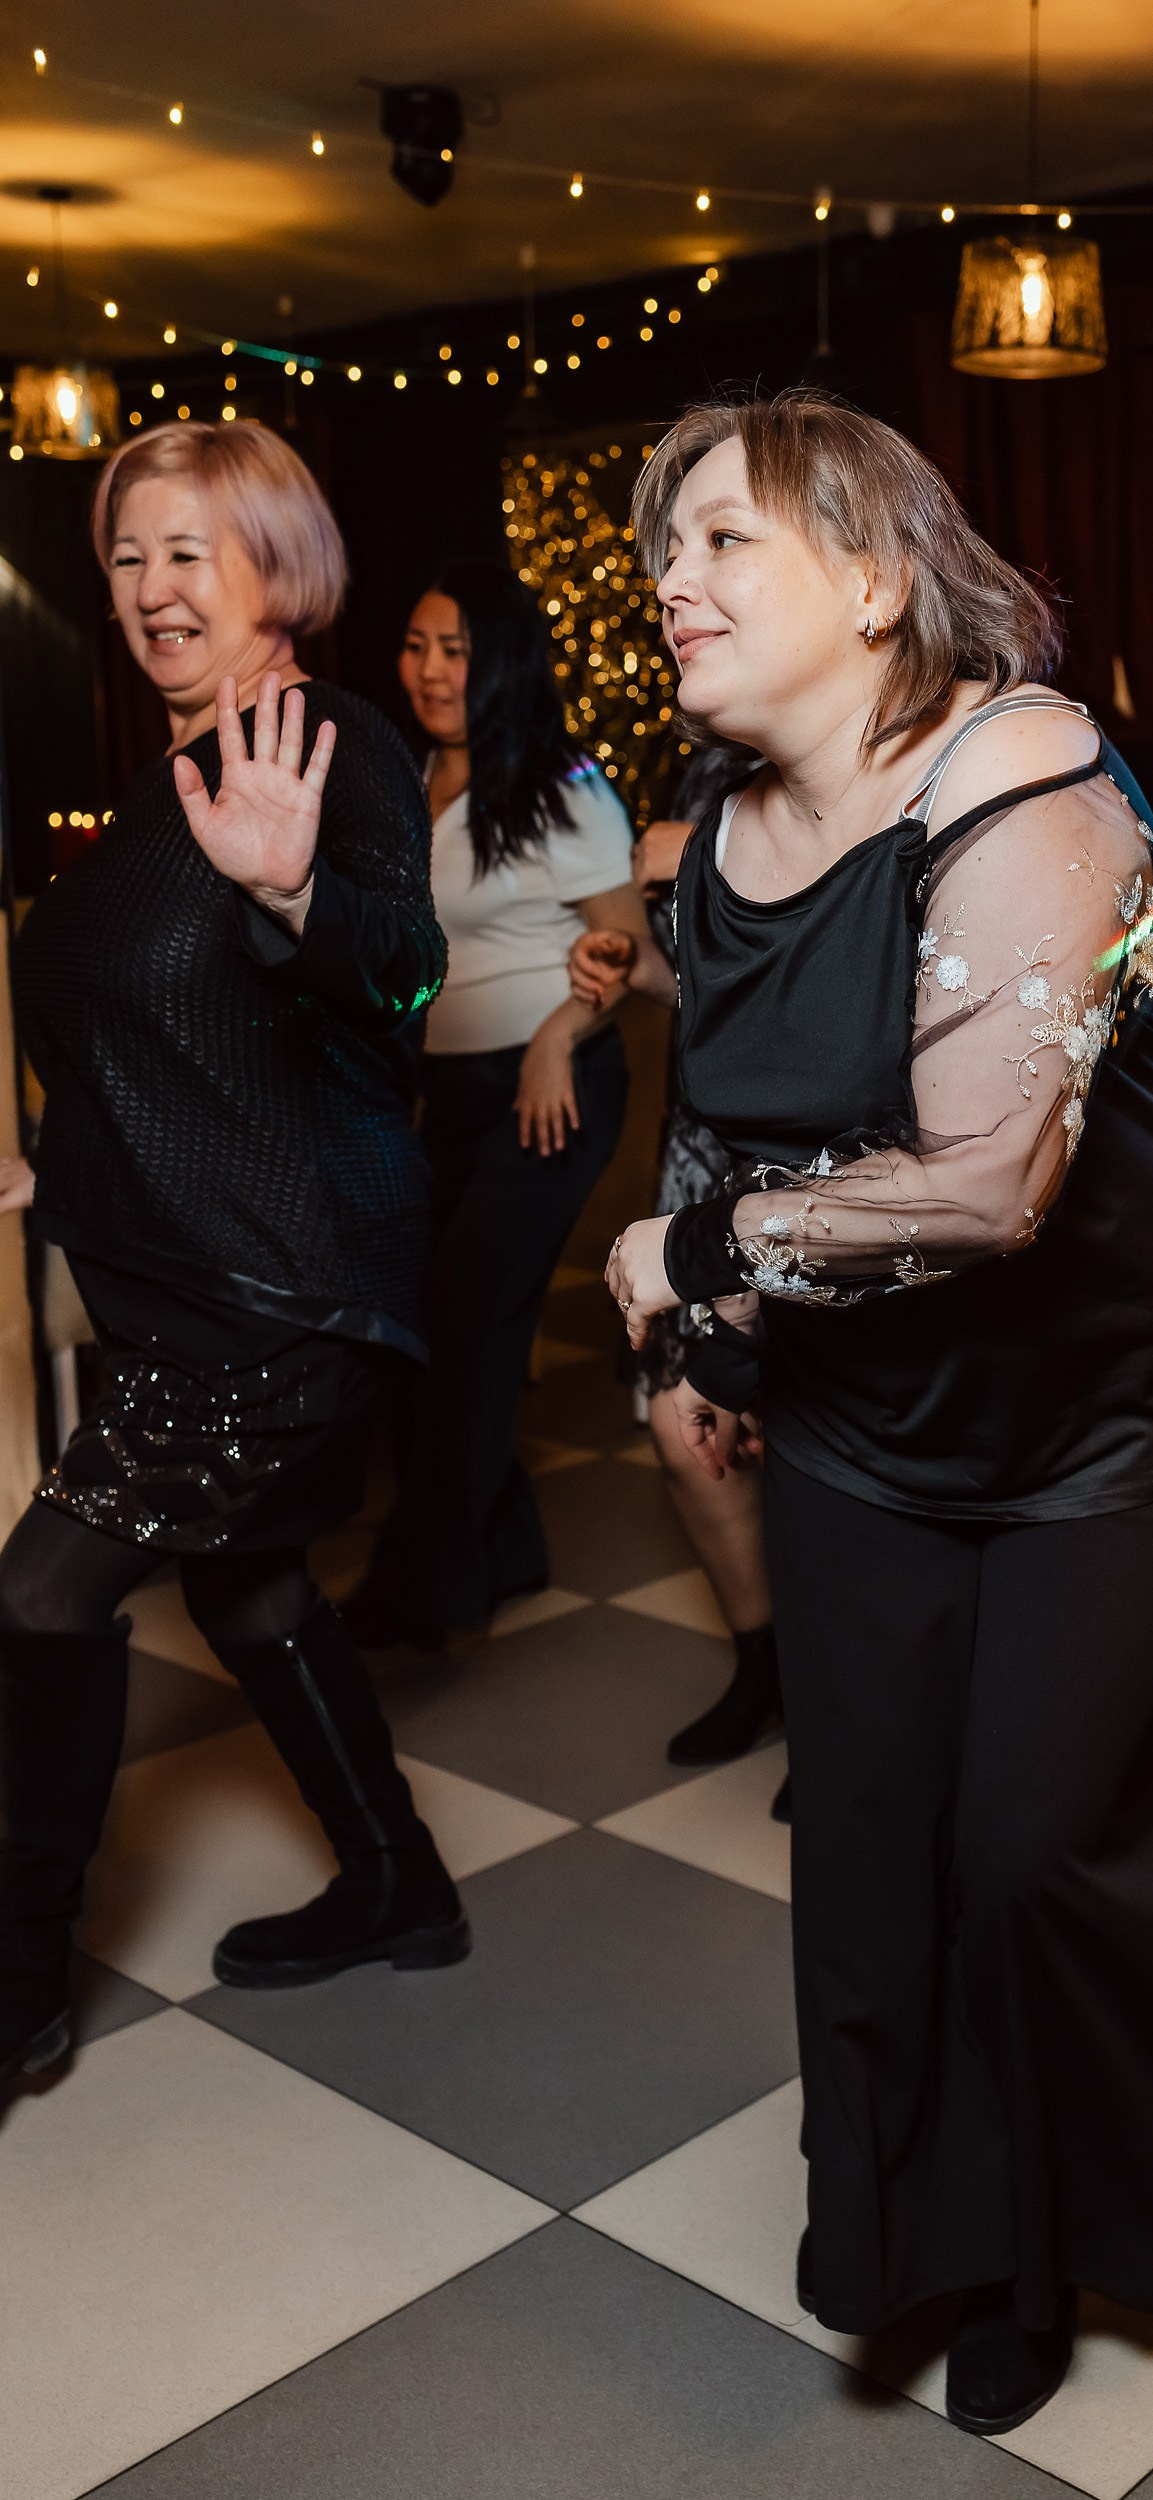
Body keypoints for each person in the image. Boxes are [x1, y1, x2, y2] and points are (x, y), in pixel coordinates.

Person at [605, 390, 1153, 2439]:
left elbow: (984, 1185)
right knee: (868, 1853)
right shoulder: (720, 823)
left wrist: (693, 1257)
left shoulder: (1025, 775)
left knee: (1032, 1845)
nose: (670, 580)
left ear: (874, 579)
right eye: (662, 549)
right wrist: (717, 1349)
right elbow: (736, 1101)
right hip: (865, 1417)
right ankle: (930, 2246)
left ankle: (1092, 2225)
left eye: (720, 539)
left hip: (1100, 1417)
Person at [0, 419, 468, 2091]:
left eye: (186, 549)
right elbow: (166, 1038)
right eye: (126, 555)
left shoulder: (321, 738)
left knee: (38, 1597)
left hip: (275, 1295)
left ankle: (15, 1986)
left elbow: (403, 972)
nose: (149, 586)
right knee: (247, 1579)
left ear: (275, 564)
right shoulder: (175, 769)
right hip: (198, 1282)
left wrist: (295, 899)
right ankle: (400, 1881)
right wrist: (41, 1154)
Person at [342, 565, 646, 1645]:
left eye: (456, 650)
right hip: (446, 1093)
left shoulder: (562, 785)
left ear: (502, 661)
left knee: (468, 1324)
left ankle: (424, 1584)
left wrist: (560, 1036)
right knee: (419, 1327)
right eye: (416, 646)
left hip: (550, 1087)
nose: (430, 671)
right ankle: (503, 1545)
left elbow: (631, 950)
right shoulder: (407, 776)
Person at [569, 744, 789, 1819]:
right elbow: (695, 981)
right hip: (706, 1140)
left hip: (815, 1145)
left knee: (810, 1435)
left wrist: (702, 851)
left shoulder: (855, 732)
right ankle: (763, 1664)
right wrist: (632, 973)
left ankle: (847, 1712)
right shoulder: (703, 768)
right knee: (681, 1423)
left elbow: (866, 889)